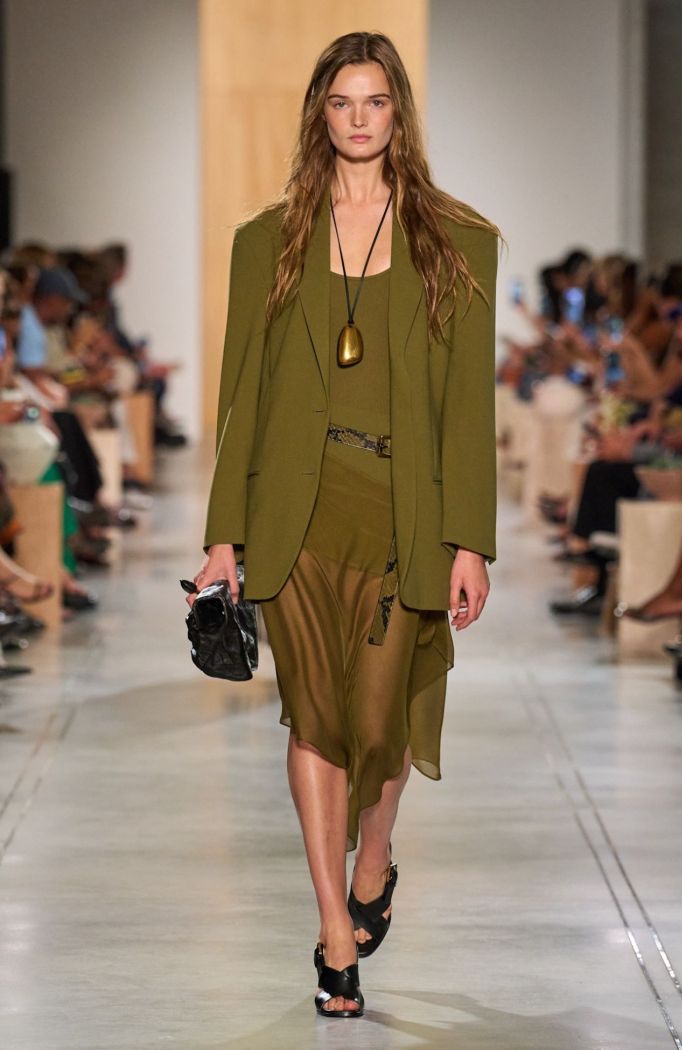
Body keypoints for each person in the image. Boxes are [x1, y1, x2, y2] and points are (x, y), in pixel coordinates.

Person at [188, 31, 501, 1018]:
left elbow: (469, 406)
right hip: (299, 513)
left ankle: (375, 858)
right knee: (317, 719)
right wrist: (224, 535)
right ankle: (334, 928)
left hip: (404, 515)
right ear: (319, 114)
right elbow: (241, 395)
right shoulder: (266, 241)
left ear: (398, 112)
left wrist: (469, 541)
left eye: (375, 101)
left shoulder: (457, 242)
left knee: (382, 720)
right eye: (341, 102)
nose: (359, 120)